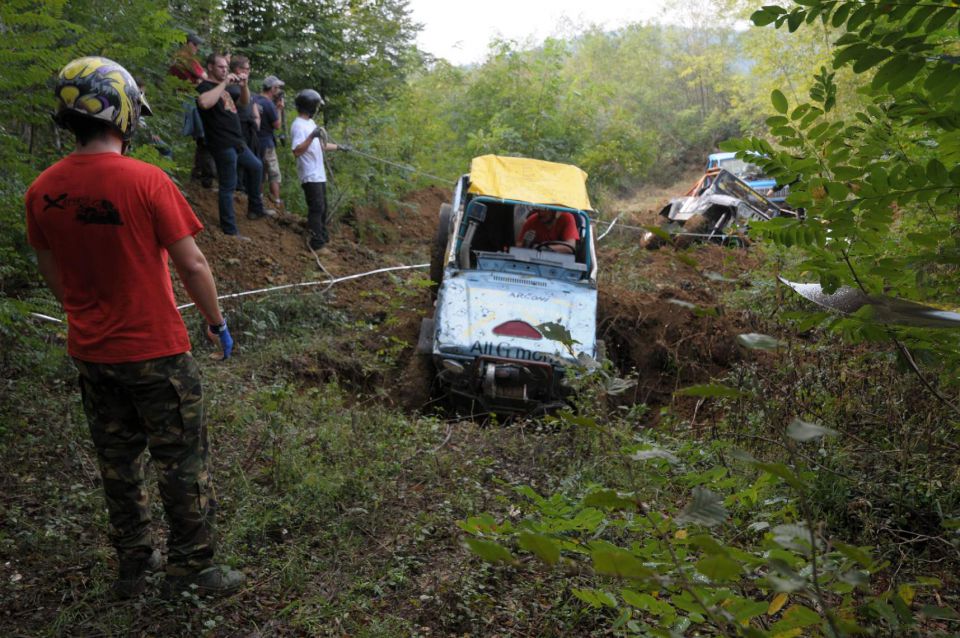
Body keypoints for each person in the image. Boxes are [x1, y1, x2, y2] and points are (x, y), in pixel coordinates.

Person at [25, 56, 244, 599]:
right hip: (156, 352)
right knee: (182, 462)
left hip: (93, 353)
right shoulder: (147, 181)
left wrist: (82, 311)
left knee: (118, 464)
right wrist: (216, 324)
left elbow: (49, 265)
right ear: (123, 114)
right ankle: (193, 570)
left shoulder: (42, 191)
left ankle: (134, 567)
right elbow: (193, 265)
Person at [196, 53, 266, 237]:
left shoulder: (225, 89)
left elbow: (244, 103)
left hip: (237, 141)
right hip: (221, 143)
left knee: (257, 166)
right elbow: (204, 103)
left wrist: (244, 86)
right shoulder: (205, 86)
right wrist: (225, 83)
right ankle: (230, 230)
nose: (225, 70)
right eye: (221, 67)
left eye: (226, 67)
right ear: (210, 67)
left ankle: (255, 208)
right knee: (228, 186)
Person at [291, 89, 346, 251]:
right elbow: (297, 150)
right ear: (310, 106)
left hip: (318, 174)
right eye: (316, 105)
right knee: (316, 208)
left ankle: (322, 236)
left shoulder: (310, 123)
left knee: (323, 207)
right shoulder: (298, 126)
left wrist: (340, 147)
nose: (317, 108)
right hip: (309, 174)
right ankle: (317, 244)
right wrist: (311, 136)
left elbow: (320, 145)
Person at [252, 76, 285, 206]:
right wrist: (279, 109)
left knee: (260, 171)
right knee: (274, 172)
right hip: (267, 142)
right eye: (278, 88)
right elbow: (277, 125)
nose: (279, 91)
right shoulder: (269, 104)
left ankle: (259, 196)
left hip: (254, 141)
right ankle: (276, 200)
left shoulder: (254, 99)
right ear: (272, 88)